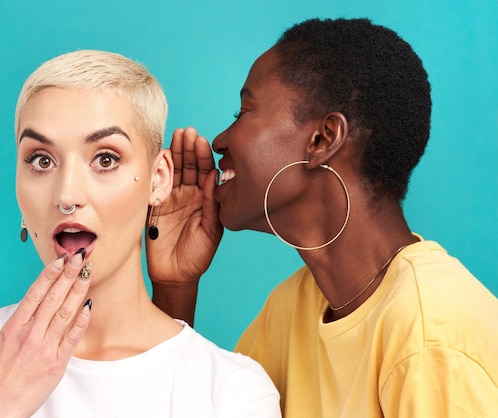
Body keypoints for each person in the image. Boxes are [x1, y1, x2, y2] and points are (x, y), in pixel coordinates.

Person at [0, 50, 281, 418]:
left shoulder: (231, 393)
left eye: (105, 159)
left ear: (158, 179)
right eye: (41, 160)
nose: (66, 196)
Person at [147, 18, 498, 417]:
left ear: (322, 139)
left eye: (243, 110)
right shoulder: (291, 310)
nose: (220, 140)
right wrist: (176, 287)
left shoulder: (430, 334)